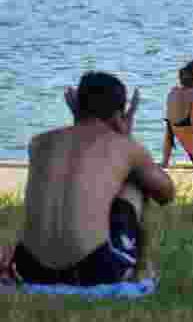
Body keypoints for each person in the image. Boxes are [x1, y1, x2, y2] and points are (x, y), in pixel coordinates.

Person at [12, 72, 175, 286]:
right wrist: (126, 136)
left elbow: (79, 162)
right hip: (93, 270)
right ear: (120, 114)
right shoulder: (124, 146)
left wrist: (79, 115)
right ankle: (140, 270)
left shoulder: (39, 143)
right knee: (136, 181)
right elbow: (166, 193)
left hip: (29, 267)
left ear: (77, 105)